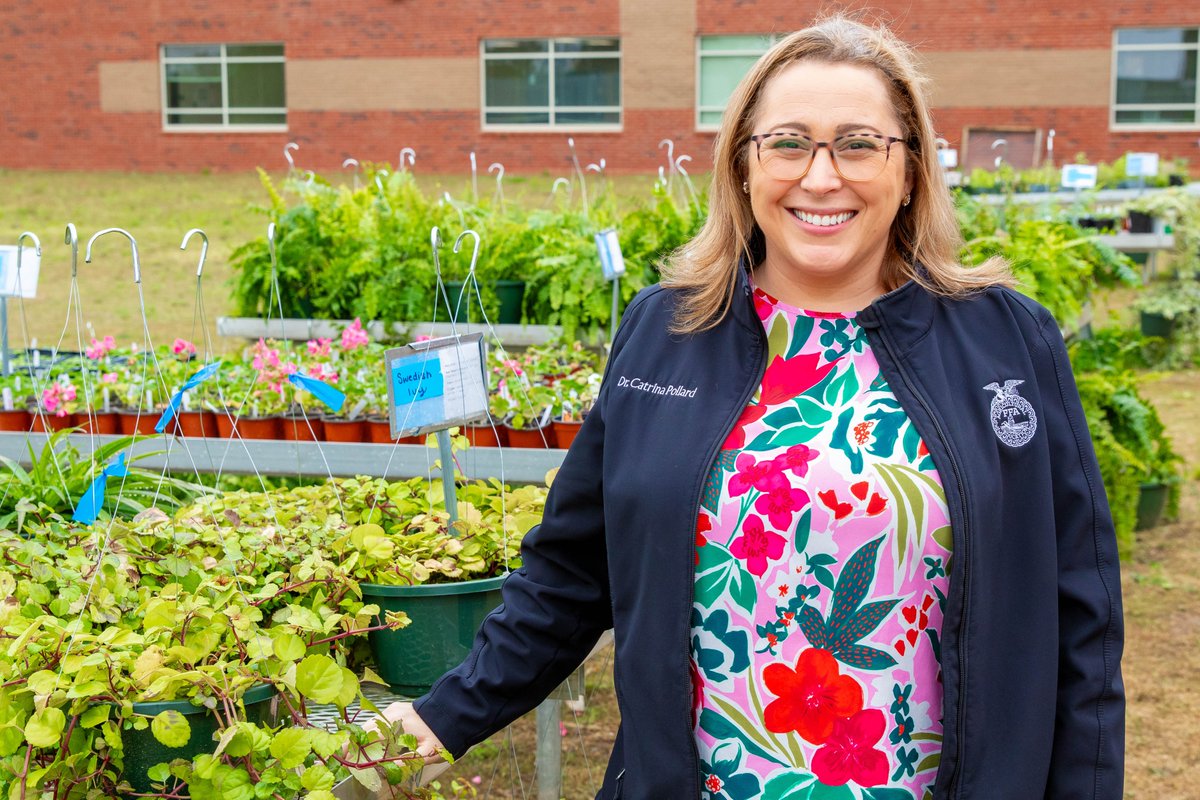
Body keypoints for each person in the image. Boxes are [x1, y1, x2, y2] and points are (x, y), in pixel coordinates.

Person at [382, 15, 1125, 800]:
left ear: (910, 171)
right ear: (744, 165)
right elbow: (571, 574)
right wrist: (441, 721)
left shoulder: (1006, 342)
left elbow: (1082, 621)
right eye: (790, 142)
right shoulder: (667, 332)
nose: (821, 175)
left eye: (858, 143)